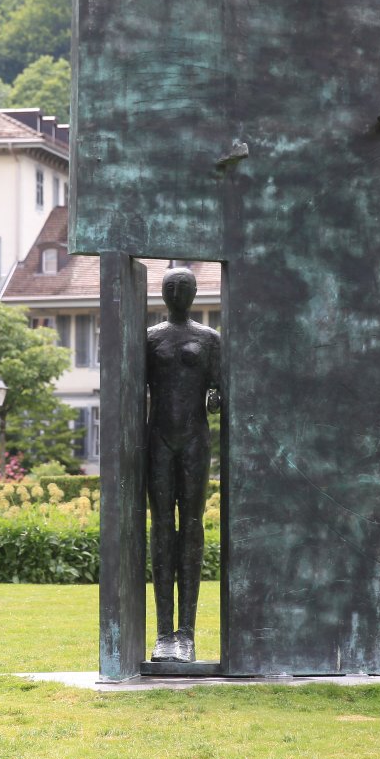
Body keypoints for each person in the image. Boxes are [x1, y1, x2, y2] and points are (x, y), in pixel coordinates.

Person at [145, 266, 221, 663]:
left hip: (194, 439)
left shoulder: (209, 339)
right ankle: (163, 632)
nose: (176, 292)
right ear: (162, 292)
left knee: (191, 527)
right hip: (158, 438)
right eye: (170, 287)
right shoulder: (149, 338)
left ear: (194, 293)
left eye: (183, 287)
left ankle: (186, 633)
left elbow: (222, 390)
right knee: (161, 527)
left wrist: (216, 398)